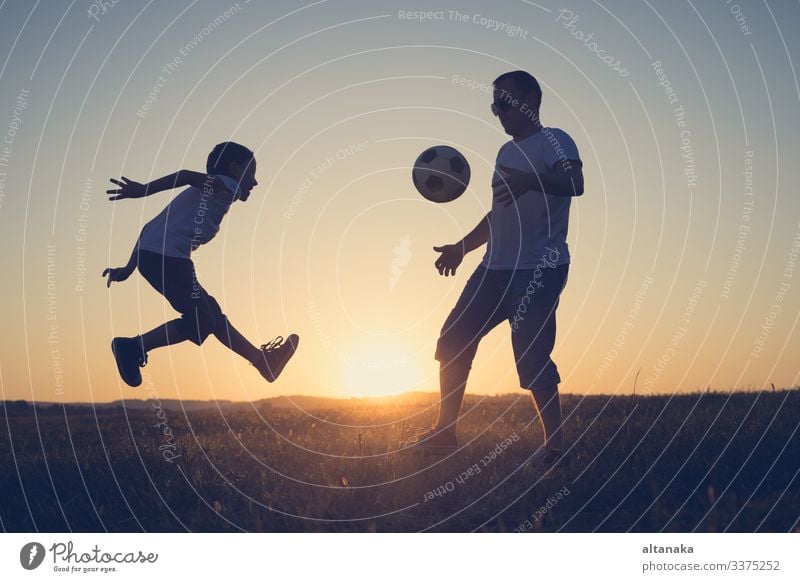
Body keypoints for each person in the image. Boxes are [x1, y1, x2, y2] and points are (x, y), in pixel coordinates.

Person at [412, 71, 584, 463]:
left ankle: (556, 449)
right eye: (494, 105)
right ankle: (444, 434)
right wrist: (462, 247)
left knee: (531, 360)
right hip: (493, 270)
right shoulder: (505, 154)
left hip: (539, 270)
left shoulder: (555, 140)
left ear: (531, 100)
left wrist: (535, 179)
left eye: (504, 103)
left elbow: (575, 182)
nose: (498, 113)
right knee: (453, 340)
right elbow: (498, 214)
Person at [103, 142, 298, 387]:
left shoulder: (201, 197)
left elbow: (149, 229)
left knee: (211, 315)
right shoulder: (228, 186)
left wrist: (129, 268)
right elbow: (184, 175)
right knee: (202, 319)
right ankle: (131, 347)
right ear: (235, 169)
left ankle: (263, 362)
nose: (255, 182)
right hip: (168, 259)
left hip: (155, 257)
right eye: (251, 173)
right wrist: (142, 190)